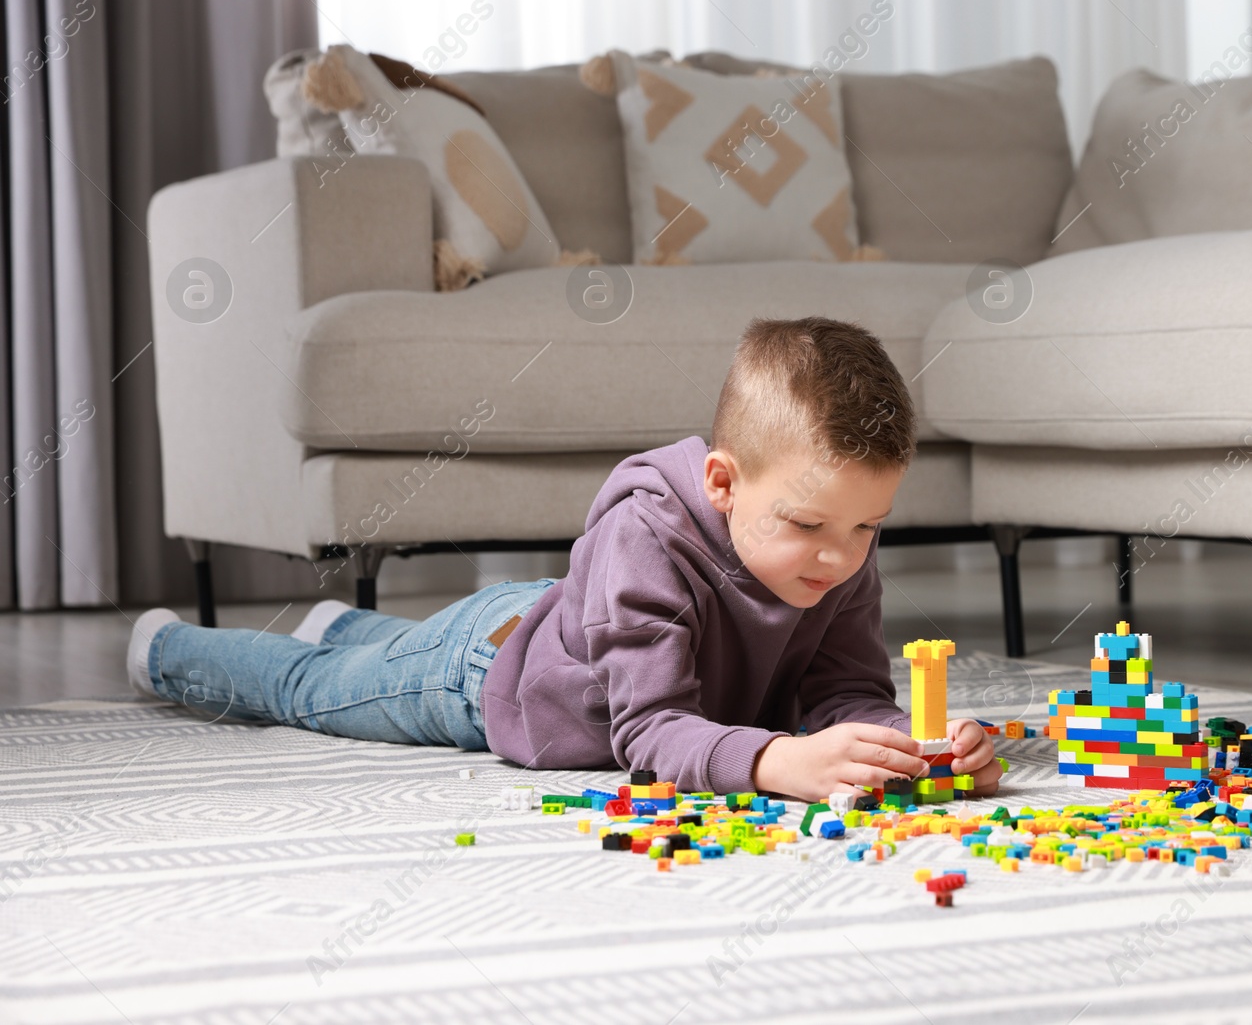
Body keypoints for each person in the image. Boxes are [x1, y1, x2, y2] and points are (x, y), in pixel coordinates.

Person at [128, 317, 1001, 801]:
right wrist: (777, 762)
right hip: (492, 667)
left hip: (579, 615)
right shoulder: (647, 540)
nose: (839, 556)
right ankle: (167, 650)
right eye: (812, 525)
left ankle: (349, 625)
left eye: (866, 528)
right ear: (723, 483)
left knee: (360, 656)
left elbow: (843, 692)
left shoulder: (834, 544)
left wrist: (908, 743)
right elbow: (649, 731)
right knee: (315, 693)